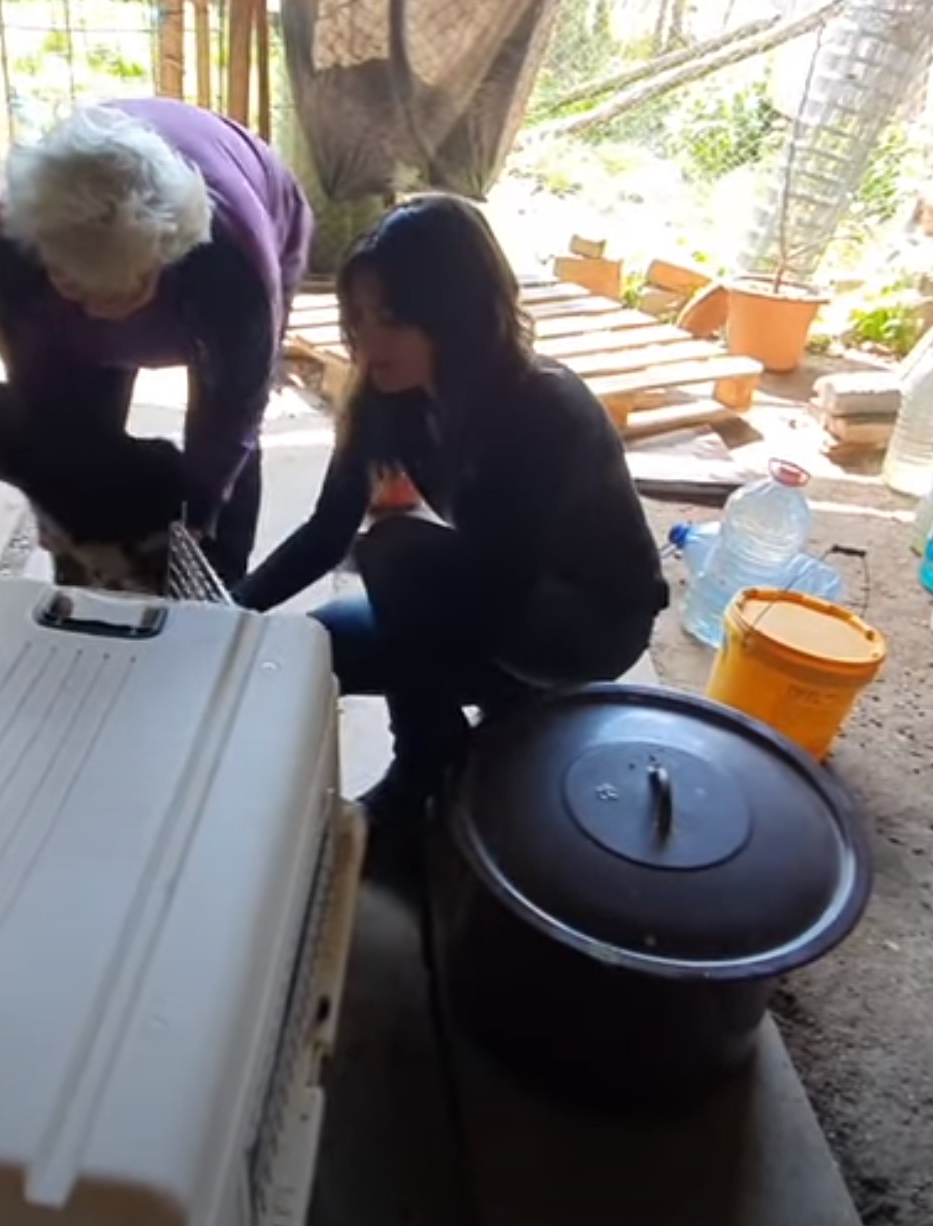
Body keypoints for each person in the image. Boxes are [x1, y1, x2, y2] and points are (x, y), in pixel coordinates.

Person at [232, 194, 668, 832]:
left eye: (393, 319)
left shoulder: (541, 410)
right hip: (497, 593)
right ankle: (487, 721)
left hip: (585, 623)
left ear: (455, 315)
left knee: (393, 552)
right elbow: (327, 530)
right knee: (316, 644)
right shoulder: (393, 396)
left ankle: (429, 764)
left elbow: (500, 582)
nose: (371, 341)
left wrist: (424, 685)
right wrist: (230, 611)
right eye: (361, 318)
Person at [0, 100, 313, 584]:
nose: (97, 313)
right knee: (80, 449)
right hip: (106, 266)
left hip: (241, 219)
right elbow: (44, 404)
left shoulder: (231, 267)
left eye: (121, 293)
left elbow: (232, 415)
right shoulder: (14, 250)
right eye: (75, 289)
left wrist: (194, 525)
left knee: (226, 454)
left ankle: (220, 594)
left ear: (168, 255)